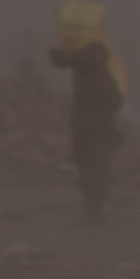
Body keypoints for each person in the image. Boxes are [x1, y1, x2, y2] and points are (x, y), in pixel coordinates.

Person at [47, 26, 124, 223]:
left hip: (90, 131)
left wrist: (56, 54)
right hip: (90, 131)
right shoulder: (93, 70)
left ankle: (93, 210)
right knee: (93, 170)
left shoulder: (88, 70)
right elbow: (116, 101)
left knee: (92, 170)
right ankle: (93, 210)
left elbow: (115, 101)